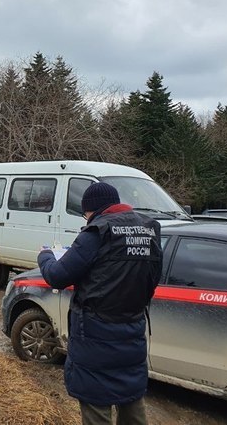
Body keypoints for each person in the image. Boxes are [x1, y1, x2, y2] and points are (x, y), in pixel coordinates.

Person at [38, 182, 162, 425]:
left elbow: (58, 276)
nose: (85, 219)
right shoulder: (149, 229)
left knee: (96, 403)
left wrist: (45, 256)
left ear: (93, 210)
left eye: (85, 214)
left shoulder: (96, 232)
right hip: (133, 330)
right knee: (131, 398)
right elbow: (152, 280)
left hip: (95, 336)